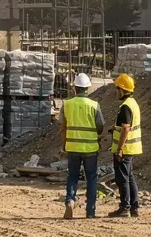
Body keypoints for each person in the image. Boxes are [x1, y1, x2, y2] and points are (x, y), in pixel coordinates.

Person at [62, 72, 102, 220]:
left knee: (72, 176)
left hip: (72, 147)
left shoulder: (67, 105)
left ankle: (70, 200)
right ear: (88, 88)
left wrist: (64, 144)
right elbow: (100, 126)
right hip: (91, 148)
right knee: (91, 178)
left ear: (75, 88)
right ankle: (90, 211)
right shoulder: (94, 105)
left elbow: (63, 127)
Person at [106, 73, 142, 218]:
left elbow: (126, 127)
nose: (116, 92)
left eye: (117, 89)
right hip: (131, 148)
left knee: (122, 179)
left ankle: (125, 207)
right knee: (129, 177)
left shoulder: (125, 107)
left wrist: (120, 149)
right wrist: (114, 129)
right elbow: (126, 127)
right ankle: (134, 207)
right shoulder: (133, 103)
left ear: (122, 89)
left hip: (124, 149)